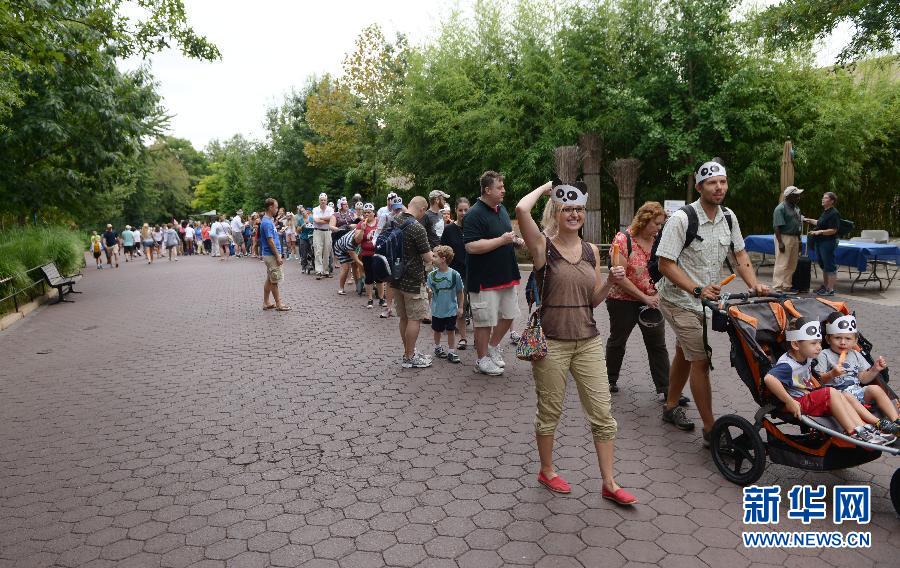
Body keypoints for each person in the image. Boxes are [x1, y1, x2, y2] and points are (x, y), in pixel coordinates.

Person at [516, 180, 636, 505]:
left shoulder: (591, 251)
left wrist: (611, 281)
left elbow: (593, 300)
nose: (573, 214)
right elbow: (520, 210)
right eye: (567, 208)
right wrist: (544, 189)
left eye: (578, 209)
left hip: (588, 341)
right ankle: (547, 470)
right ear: (556, 211)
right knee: (550, 412)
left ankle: (609, 483)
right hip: (552, 343)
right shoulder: (543, 247)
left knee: (603, 414)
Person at [656, 160, 769, 444]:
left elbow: (740, 255)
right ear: (699, 187)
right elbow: (665, 264)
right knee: (701, 360)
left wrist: (754, 284)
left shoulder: (729, 217)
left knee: (686, 352)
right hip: (678, 300)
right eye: (711, 183)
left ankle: (670, 406)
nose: (719, 187)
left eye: (723, 182)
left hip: (705, 302)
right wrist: (696, 290)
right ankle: (711, 430)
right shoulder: (681, 219)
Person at [763, 317, 894, 445]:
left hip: (807, 397)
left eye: (819, 343)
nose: (819, 347)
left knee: (845, 396)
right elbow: (769, 378)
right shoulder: (787, 365)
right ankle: (853, 431)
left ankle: (864, 428)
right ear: (796, 344)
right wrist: (789, 401)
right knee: (830, 392)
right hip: (797, 403)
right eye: (814, 343)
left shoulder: (806, 357)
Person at [606, 202, 684, 403]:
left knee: (657, 344)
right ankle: (608, 380)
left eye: (661, 225)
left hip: (652, 300)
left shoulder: (658, 241)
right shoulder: (623, 240)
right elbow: (619, 277)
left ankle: (668, 390)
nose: (659, 228)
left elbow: (667, 267)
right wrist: (644, 298)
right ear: (643, 221)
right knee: (618, 340)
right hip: (623, 300)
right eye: (656, 224)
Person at [464, 171, 523, 376]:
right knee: (484, 322)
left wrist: (514, 241)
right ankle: (481, 360)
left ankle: (493, 346)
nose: (504, 190)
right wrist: (503, 240)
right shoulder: (474, 214)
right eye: (499, 187)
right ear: (487, 190)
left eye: (503, 186)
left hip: (506, 275)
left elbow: (504, 236)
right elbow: (471, 247)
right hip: (484, 280)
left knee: (509, 315)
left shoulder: (502, 209)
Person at [818, 313, 899, 433]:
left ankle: (896, 420)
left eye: (848, 339)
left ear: (855, 341)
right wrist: (832, 374)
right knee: (847, 396)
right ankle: (878, 423)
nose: (843, 342)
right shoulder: (824, 354)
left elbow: (863, 379)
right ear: (828, 339)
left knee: (875, 388)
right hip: (839, 397)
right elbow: (819, 380)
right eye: (837, 338)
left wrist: (875, 369)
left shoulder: (856, 354)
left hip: (857, 391)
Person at [392, 196, 434, 368]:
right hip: (413, 280)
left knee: (403, 318)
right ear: (423, 210)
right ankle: (410, 357)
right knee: (415, 319)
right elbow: (427, 257)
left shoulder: (393, 221)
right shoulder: (417, 228)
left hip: (395, 277)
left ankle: (407, 352)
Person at [440, 197, 470, 350]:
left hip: (475, 271)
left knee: (479, 307)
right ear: (455, 211)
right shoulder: (449, 229)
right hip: (457, 273)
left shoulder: (475, 227)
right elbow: (443, 251)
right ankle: (463, 338)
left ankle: (480, 339)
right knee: (461, 307)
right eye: (460, 210)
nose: (463, 213)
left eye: (466, 210)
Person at [427, 245, 464, 364]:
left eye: (435, 256)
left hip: (451, 309)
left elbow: (460, 292)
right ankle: (437, 347)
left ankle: (451, 351)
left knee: (451, 330)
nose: (432, 258)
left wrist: (461, 307)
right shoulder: (431, 276)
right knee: (437, 330)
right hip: (437, 310)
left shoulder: (454, 275)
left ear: (443, 259)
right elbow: (429, 291)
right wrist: (429, 293)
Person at [804, 191, 840, 296]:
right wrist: (809, 220)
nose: (823, 199)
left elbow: (834, 230)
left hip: (828, 242)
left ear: (832, 201)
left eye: (825, 198)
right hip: (819, 241)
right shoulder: (825, 211)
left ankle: (830, 289)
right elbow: (820, 223)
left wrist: (820, 232)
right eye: (823, 197)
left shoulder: (834, 213)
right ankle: (825, 286)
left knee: (830, 265)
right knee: (823, 264)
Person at [258, 198, 290, 311]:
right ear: (271, 207)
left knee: (270, 279)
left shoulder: (268, 220)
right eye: (276, 207)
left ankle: (266, 302)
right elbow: (270, 241)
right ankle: (278, 304)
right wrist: (277, 256)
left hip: (269, 254)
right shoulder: (266, 222)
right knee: (275, 280)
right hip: (271, 255)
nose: (277, 209)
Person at [772, 186, 804, 292]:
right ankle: (778, 287)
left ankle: (787, 286)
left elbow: (799, 224)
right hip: (784, 236)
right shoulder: (780, 208)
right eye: (796, 195)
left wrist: (799, 240)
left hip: (795, 237)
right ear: (789, 196)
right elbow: (777, 226)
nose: (798, 197)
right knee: (782, 262)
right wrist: (780, 242)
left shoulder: (796, 208)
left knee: (792, 263)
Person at [356, 203, 383, 308]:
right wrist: (362, 229)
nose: (367, 214)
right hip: (366, 254)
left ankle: (381, 298)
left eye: (369, 212)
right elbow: (357, 240)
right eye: (365, 212)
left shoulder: (379, 223)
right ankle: (370, 299)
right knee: (369, 276)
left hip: (378, 253)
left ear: (374, 213)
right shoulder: (361, 224)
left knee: (380, 277)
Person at [333, 227, 363, 295]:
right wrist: (363, 265)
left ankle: (358, 287)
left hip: (351, 249)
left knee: (355, 267)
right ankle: (341, 288)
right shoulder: (349, 243)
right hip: (340, 250)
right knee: (346, 268)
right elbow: (357, 260)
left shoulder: (360, 232)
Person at [312, 193, 334, 279]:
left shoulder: (330, 209)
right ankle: (319, 271)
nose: (323, 201)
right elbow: (316, 220)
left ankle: (326, 271)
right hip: (318, 232)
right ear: (319, 200)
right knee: (318, 251)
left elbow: (332, 219)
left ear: (326, 200)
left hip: (328, 232)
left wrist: (321, 218)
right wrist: (327, 220)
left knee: (327, 251)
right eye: (321, 200)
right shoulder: (315, 209)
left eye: (324, 200)